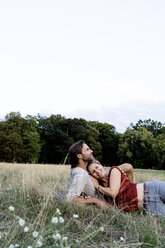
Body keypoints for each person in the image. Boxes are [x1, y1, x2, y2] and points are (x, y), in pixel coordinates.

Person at [66, 140, 134, 209]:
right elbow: (70, 199)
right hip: (109, 201)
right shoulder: (80, 173)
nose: (91, 151)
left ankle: (130, 189)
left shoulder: (81, 171)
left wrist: (115, 171)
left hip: (111, 194)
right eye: (87, 149)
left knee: (127, 168)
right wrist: (95, 201)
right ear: (79, 155)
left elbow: (129, 167)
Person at [87, 160, 165, 217]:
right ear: (92, 176)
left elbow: (113, 192)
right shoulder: (103, 191)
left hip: (153, 189)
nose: (97, 171)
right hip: (149, 207)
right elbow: (107, 208)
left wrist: (97, 186)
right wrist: (92, 200)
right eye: (93, 172)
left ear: (100, 165)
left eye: (97, 167)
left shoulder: (113, 171)